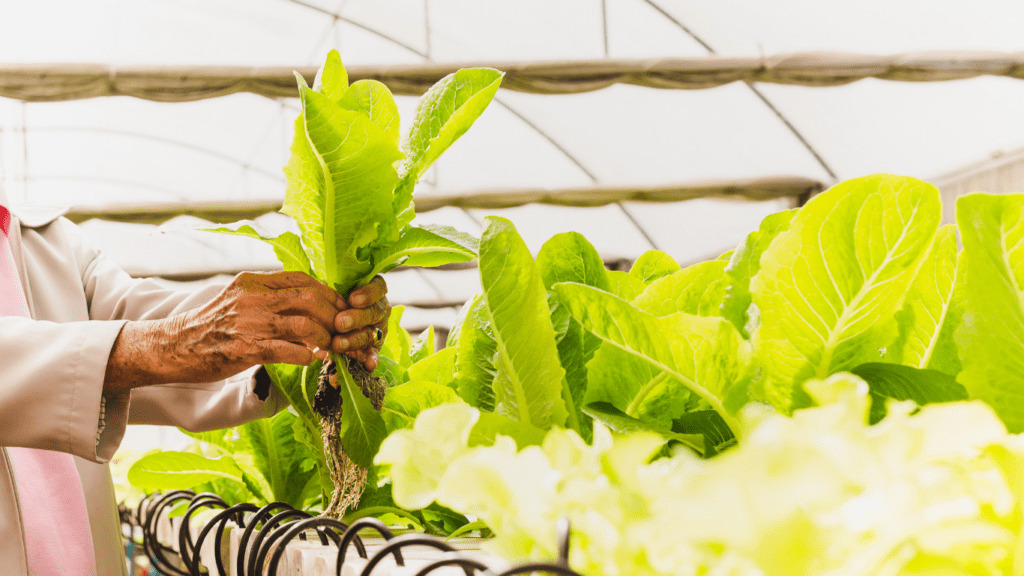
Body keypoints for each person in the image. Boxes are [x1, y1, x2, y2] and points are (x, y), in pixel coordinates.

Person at [0, 187, 391, 576]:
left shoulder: (45, 238)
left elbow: (139, 319)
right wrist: (171, 344)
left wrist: (295, 323)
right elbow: (148, 343)